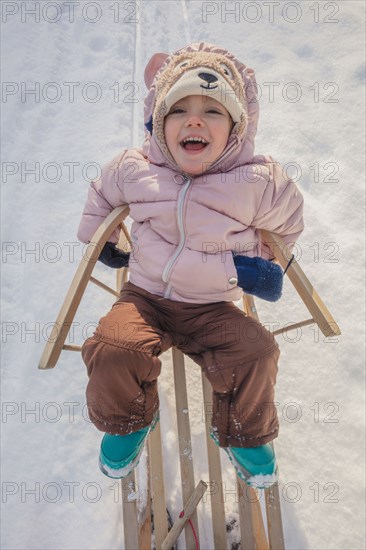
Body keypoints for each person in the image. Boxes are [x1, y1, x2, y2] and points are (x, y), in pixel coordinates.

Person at [77, 42, 304, 487]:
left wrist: (260, 262)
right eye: (179, 109)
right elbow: (101, 193)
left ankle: (245, 433)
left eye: (213, 112)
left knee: (257, 353)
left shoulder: (255, 181)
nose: (195, 120)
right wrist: (101, 239)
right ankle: (130, 422)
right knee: (112, 350)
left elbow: (289, 220)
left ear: (236, 129)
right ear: (160, 123)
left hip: (211, 306)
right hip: (144, 298)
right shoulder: (134, 168)